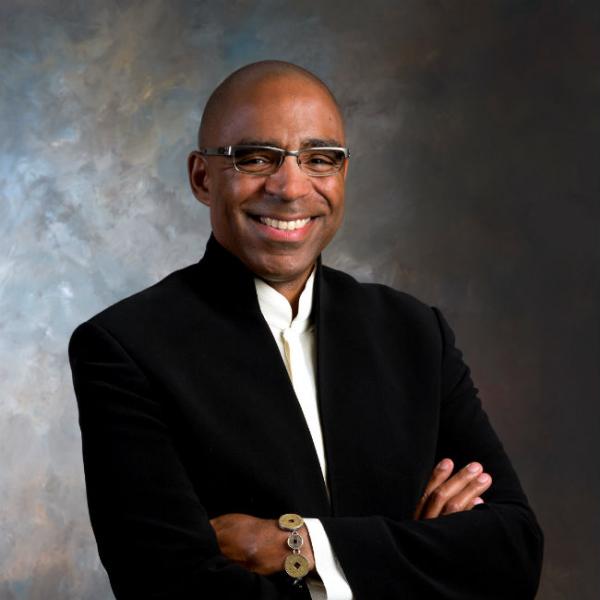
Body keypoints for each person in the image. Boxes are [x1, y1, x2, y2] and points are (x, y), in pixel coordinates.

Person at [69, 61, 543, 599]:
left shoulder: (415, 333)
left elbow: (513, 553)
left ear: (342, 175)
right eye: (255, 158)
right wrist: (418, 554)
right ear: (202, 178)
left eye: (320, 160)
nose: (291, 187)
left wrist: (299, 546)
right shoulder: (125, 347)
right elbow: (170, 587)